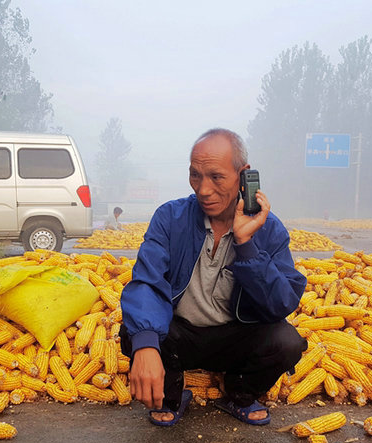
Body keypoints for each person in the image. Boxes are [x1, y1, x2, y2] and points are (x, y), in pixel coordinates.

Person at [119, 128, 307, 426]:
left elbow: (280, 305)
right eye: (195, 175)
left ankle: (238, 392)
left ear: (243, 174)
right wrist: (145, 345)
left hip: (235, 338)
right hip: (180, 335)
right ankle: (171, 394)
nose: (203, 189)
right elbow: (146, 282)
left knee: (287, 342)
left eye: (216, 177)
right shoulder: (170, 218)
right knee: (135, 331)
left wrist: (246, 245)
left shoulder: (269, 230)